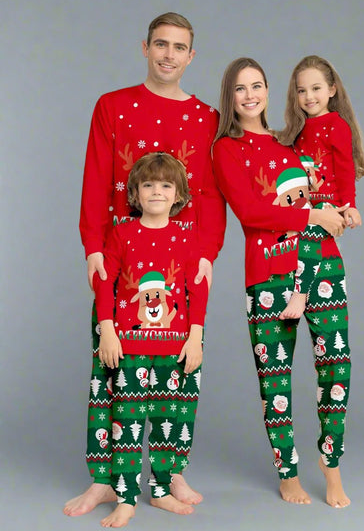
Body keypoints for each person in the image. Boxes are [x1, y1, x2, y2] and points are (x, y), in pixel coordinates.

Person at [64, 12, 226, 517]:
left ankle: (169, 473)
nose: (169, 55)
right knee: (109, 376)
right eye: (161, 44)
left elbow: (209, 195)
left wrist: (207, 253)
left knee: (177, 376)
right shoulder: (112, 106)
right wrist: (94, 244)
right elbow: (95, 177)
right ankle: (106, 480)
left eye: (180, 47)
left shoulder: (206, 118)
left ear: (191, 56)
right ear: (145, 47)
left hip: (180, 270)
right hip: (121, 260)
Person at [212, 57, 351, 508]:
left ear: (272, 91)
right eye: (240, 89)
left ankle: (331, 466)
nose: (250, 95)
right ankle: (287, 471)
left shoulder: (290, 142)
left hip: (321, 267)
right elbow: (252, 213)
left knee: (336, 369)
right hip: (268, 276)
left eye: (257, 85)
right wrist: (314, 213)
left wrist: (342, 208)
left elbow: (330, 180)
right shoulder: (226, 149)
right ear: (229, 98)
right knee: (276, 380)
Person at [95, 152, 209, 527]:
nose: (156, 192)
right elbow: (105, 282)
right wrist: (108, 330)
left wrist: (196, 339)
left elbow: (197, 290)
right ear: (135, 192)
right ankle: (126, 497)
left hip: (175, 347)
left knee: (168, 422)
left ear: (177, 194)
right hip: (129, 347)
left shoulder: (187, 236)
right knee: (125, 423)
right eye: (148, 185)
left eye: (165, 185)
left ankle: (160, 491)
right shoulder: (122, 233)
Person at [277, 54, 364, 320]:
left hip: (329, 201)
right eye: (301, 91)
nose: (308, 97)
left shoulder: (336, 125)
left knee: (310, 232)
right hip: (304, 200)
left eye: (316, 89)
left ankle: (300, 293)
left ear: (331, 89)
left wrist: (349, 206)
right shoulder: (298, 128)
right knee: (296, 231)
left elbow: (345, 167)